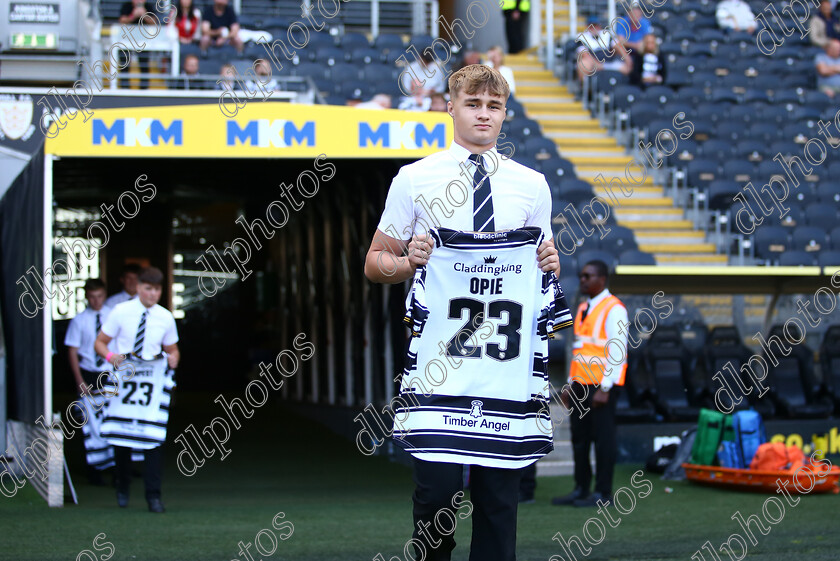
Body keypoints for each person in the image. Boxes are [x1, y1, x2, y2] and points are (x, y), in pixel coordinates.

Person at [364, 64, 568, 561]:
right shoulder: (414, 178)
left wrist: (551, 261)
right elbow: (374, 263)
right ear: (450, 106)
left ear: (505, 114)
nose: (483, 114)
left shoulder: (532, 185)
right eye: (473, 104)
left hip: (503, 366)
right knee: (434, 497)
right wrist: (406, 261)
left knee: (500, 501)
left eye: (493, 106)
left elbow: (544, 260)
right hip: (440, 364)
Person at [95, 267, 180, 513]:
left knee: (152, 438)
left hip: (150, 385)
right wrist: (112, 357)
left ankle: (153, 496)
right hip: (125, 380)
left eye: (156, 290)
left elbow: (173, 349)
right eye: (148, 288)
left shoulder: (165, 317)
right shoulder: (121, 311)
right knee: (122, 436)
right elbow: (100, 342)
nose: (152, 294)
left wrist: (173, 358)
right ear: (138, 287)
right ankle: (122, 487)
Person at [552, 260, 628, 508]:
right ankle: (581, 488)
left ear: (602, 279)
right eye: (582, 276)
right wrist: (570, 384)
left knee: (604, 440)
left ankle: (603, 493)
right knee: (580, 439)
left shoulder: (614, 308)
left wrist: (605, 388)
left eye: (588, 276)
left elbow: (618, 351)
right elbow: (580, 351)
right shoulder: (585, 306)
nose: (582, 280)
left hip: (600, 387)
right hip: (581, 386)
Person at [65, 279, 116, 485]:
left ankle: (115, 468)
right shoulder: (79, 320)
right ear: (87, 296)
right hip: (88, 372)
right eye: (92, 296)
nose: (96, 301)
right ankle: (93, 468)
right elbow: (72, 351)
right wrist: (79, 380)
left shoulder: (113, 316)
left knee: (111, 420)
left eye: (100, 296)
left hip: (109, 372)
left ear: (105, 295)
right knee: (88, 422)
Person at [576, 17, 632, 82]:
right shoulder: (582, 37)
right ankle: (586, 89)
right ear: (587, 27)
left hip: (609, 62)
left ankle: (622, 88)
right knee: (583, 64)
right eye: (591, 26)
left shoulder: (606, 34)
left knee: (626, 67)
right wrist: (597, 64)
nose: (594, 28)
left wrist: (627, 58)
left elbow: (617, 46)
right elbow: (584, 54)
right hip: (593, 62)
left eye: (596, 26)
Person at [118, 0, 155, 89]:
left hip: (143, 41)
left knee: (144, 65)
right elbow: (121, 21)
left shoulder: (148, 7)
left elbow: (154, 22)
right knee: (124, 64)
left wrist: (144, 15)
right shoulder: (127, 6)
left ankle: (144, 88)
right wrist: (133, 16)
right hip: (127, 40)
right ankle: (124, 87)